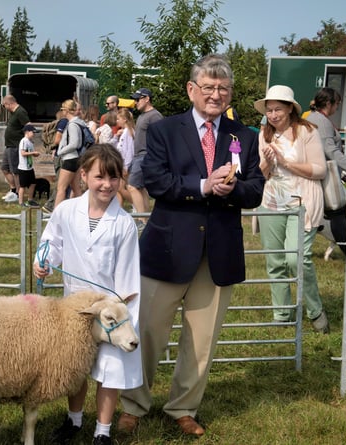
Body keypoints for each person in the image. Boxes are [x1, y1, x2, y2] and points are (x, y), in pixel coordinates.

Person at [118, 54, 265, 437]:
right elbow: (156, 181)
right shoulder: (164, 129)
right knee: (147, 331)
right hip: (167, 250)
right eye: (209, 87)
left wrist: (232, 189)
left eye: (223, 88)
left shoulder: (243, 136)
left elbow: (255, 191)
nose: (216, 94)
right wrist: (203, 186)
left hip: (218, 253)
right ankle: (133, 403)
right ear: (191, 89)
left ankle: (183, 407)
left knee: (201, 340)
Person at [34, 144, 141, 445]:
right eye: (99, 177)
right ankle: (74, 419)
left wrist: (119, 310)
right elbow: (51, 242)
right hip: (78, 308)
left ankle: (102, 431)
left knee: (109, 367)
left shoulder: (124, 224)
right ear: (83, 176)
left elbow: (128, 274)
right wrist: (43, 262)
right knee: (77, 365)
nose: (107, 185)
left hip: (110, 309)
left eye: (113, 178)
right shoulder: (66, 211)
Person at [254, 85, 329, 333]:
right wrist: (266, 162)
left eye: (278, 109)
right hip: (271, 201)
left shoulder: (307, 131)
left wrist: (286, 162)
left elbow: (320, 169)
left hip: (302, 201)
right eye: (269, 110)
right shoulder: (264, 134)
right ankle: (282, 313)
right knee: (275, 260)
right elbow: (260, 174)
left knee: (296, 258)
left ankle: (315, 309)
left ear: (290, 109)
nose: (273, 115)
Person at [306, 87, 346, 265]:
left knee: (335, 216)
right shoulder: (322, 122)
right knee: (338, 215)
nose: (337, 107)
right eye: (337, 103)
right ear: (328, 103)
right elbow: (330, 151)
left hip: (324, 174)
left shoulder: (314, 118)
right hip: (324, 177)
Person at [129, 88, 163, 228]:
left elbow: (161, 138)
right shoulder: (143, 115)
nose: (135, 102)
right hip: (138, 156)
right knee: (140, 188)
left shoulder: (154, 116)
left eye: (138, 99)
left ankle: (141, 221)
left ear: (147, 99)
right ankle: (146, 220)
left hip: (145, 156)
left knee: (132, 187)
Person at [54, 99, 86, 208]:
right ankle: (82, 210)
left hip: (70, 158)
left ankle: (56, 214)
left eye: (63, 109)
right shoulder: (79, 123)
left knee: (61, 188)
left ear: (67, 110)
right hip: (76, 158)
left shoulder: (72, 125)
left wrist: (61, 151)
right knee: (76, 187)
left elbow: (74, 143)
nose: (62, 112)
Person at [1, 94, 30, 203]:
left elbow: (28, 126)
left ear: (9, 103)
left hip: (16, 145)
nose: (5, 108)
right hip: (9, 145)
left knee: (15, 171)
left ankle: (18, 193)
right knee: (4, 168)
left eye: (5, 106)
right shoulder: (13, 113)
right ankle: (13, 189)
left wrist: (25, 142)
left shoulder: (20, 112)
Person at [42, 108, 69, 213]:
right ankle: (50, 205)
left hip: (59, 155)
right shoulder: (64, 122)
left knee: (65, 183)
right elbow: (57, 140)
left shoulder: (62, 122)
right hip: (61, 157)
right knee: (61, 183)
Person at [115, 108, 135, 209]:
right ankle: (119, 208)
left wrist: (126, 167)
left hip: (125, 165)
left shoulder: (128, 133)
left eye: (118, 119)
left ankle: (135, 204)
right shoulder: (124, 132)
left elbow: (129, 151)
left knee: (121, 187)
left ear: (125, 119)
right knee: (119, 188)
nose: (117, 121)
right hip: (122, 164)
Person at [17, 124, 41, 207]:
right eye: (32, 132)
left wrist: (35, 154)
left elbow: (30, 153)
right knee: (22, 186)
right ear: (27, 132)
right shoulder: (24, 141)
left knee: (33, 183)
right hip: (23, 168)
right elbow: (23, 153)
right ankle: (21, 202)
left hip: (29, 167)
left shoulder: (30, 142)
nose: (34, 134)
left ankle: (30, 200)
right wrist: (33, 153)